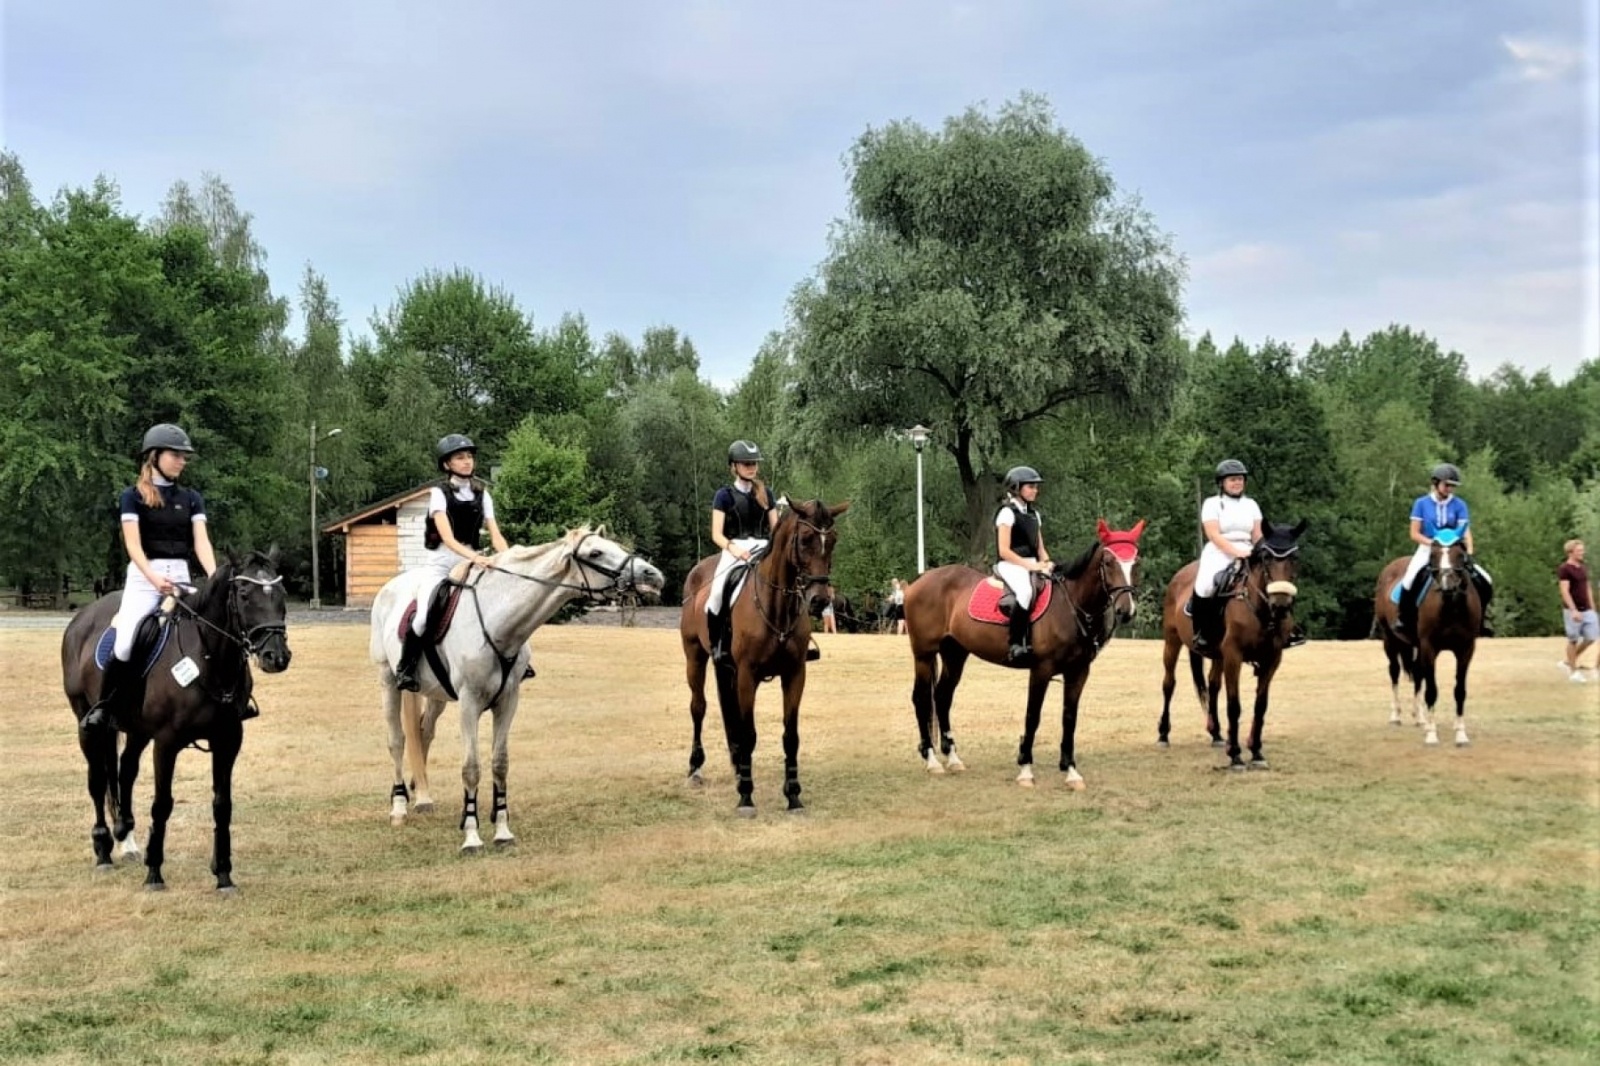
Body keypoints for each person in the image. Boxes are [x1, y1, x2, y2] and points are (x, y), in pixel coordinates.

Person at [81, 424, 219, 732]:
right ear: (155, 456)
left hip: (182, 578)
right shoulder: (132, 497)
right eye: (176, 455)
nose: (182, 461)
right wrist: (154, 579)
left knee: (215, 631)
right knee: (127, 641)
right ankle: (107, 707)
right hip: (145, 579)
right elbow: (133, 545)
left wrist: (214, 577)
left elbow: (202, 542)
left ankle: (229, 701)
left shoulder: (192, 498)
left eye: (185, 457)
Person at [394, 434, 512, 691]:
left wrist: (507, 561)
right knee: (424, 616)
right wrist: (476, 557)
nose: (467, 461)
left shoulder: (483, 494)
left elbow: (496, 534)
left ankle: (514, 662)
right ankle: (407, 668)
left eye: (469, 456)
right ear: (447, 464)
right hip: (442, 564)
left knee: (503, 605)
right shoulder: (439, 494)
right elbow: (447, 538)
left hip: (473, 562)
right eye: (460, 457)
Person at [1394, 463, 1493, 636]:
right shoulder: (1421, 504)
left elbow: (1465, 530)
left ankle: (1481, 621)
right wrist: (1434, 545)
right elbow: (1414, 533)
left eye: (1453, 486)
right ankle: (1404, 619)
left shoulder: (1460, 505)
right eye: (1447, 485)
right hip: (1428, 548)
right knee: (1409, 579)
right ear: (1435, 483)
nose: (1450, 489)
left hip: (1454, 550)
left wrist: (1469, 550)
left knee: (1485, 580)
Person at [706, 440, 779, 664]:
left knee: (790, 585)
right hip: (734, 548)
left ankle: (800, 640)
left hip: (763, 547)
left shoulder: (766, 493)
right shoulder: (724, 495)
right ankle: (718, 644)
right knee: (716, 594)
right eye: (746, 463)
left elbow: (776, 529)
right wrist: (734, 549)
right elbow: (716, 534)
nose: (752, 467)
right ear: (734, 466)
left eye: (754, 463)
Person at [1191, 459, 1262, 655]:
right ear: (1222, 482)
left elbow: (1257, 534)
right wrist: (1235, 552)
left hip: (1248, 549)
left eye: (1240, 479)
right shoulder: (1212, 504)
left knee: (1274, 578)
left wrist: (1263, 551)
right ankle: (1202, 631)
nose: (1237, 483)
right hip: (1219, 551)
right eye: (1232, 480)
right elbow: (1213, 534)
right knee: (1205, 585)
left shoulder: (1251, 505)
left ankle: (1284, 630)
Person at [994, 466, 1053, 661]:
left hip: (1031, 562)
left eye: (1036, 487)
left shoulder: (1034, 515)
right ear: (1016, 487)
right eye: (1031, 486)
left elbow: (1040, 547)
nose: (1035, 490)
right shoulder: (1006, 513)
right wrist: (1030, 566)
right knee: (1025, 592)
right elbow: (1004, 550)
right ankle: (1015, 644)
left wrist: (1046, 562)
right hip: (1010, 564)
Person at [1558, 539, 1596, 682]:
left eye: (1582, 550)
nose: (1582, 552)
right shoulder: (1565, 569)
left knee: (1591, 637)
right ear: (1570, 552)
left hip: (1587, 609)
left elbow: (1587, 588)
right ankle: (1573, 672)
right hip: (1573, 610)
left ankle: (1568, 661)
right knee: (1573, 640)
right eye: (1579, 551)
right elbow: (1564, 591)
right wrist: (1573, 610)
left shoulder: (1582, 567)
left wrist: (1592, 608)